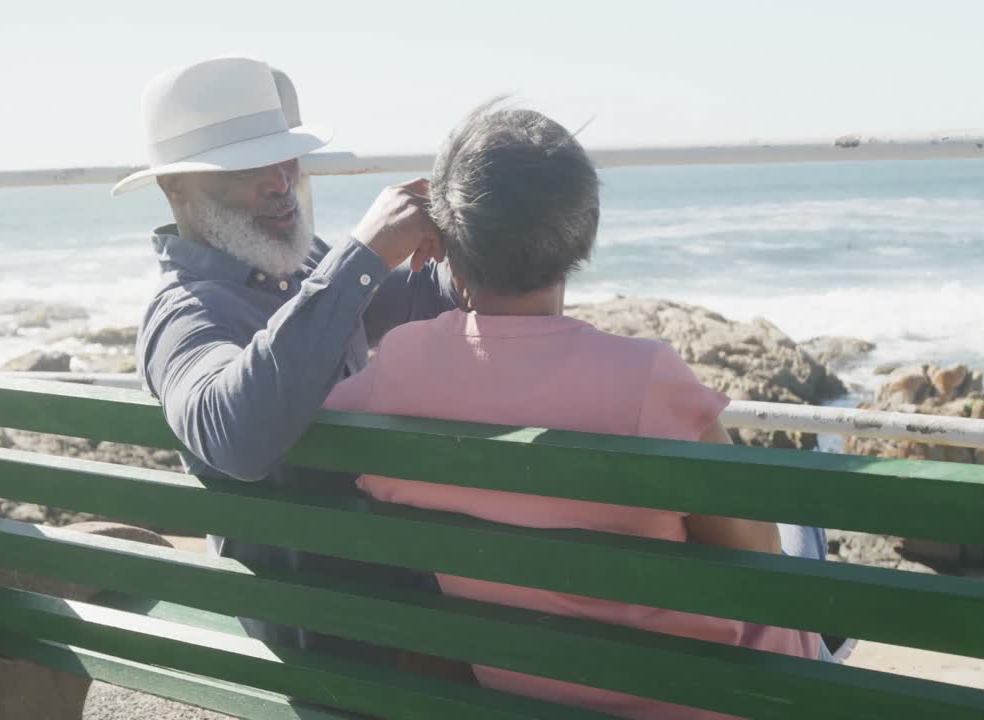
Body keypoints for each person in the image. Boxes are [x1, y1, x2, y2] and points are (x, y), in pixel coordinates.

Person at [324, 101, 833, 720]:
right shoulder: (647, 379)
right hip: (710, 702)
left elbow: (283, 418)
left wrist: (357, 264)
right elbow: (755, 560)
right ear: (581, 236)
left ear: (444, 239)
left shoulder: (396, 370)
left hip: (527, 688)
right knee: (806, 538)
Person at [122, 56, 456, 658]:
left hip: (384, 603)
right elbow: (236, 435)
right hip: (315, 636)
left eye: (286, 158)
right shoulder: (184, 314)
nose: (280, 182)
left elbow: (423, 303)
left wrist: (479, 235)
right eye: (248, 168)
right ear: (175, 188)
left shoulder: (298, 266)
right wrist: (362, 255)